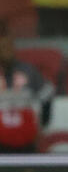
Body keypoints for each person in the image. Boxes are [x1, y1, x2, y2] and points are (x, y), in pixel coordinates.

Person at [0, 22, 54, 152]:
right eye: (3, 47)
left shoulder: (28, 71)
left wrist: (42, 124)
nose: (7, 51)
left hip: (26, 144)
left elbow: (47, 95)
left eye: (9, 46)